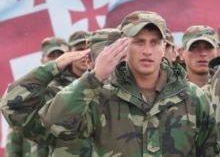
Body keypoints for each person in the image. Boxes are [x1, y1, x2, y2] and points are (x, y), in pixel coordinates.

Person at [36, 11, 220, 156]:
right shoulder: (99, 94)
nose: (147, 51)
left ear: (164, 47)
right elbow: (56, 123)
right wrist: (94, 78)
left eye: (154, 43)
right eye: (139, 42)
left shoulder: (192, 96)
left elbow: (210, 151)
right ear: (123, 46)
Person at [0, 29, 123, 156]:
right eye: (102, 56)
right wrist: (54, 66)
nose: (111, 62)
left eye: (119, 56)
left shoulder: (135, 98)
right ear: (87, 59)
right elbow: (13, 106)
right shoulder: (59, 96)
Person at [4, 37, 68, 157]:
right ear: (42, 60)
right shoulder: (30, 91)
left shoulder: (78, 87)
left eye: (60, 55)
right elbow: (14, 140)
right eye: (51, 56)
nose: (56, 59)